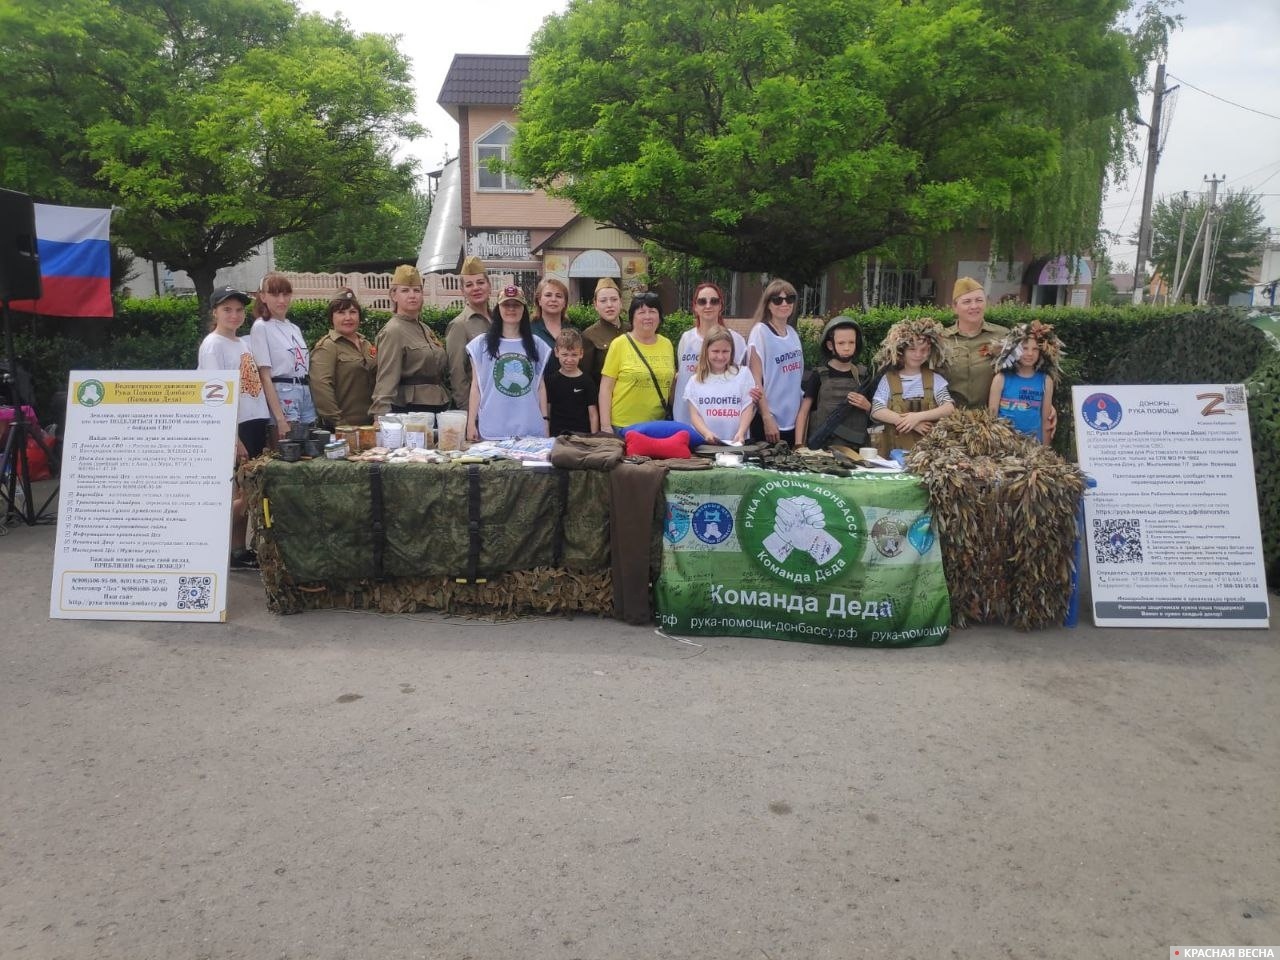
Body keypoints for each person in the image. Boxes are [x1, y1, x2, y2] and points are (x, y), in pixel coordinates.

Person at [197, 285, 269, 569]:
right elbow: (214, 394)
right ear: (215, 312)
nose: (234, 315)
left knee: (244, 490)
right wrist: (233, 437)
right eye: (227, 309)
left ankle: (237, 550)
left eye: (239, 310)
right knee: (243, 493)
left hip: (254, 420)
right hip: (234, 425)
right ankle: (208, 542)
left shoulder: (242, 343)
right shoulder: (213, 345)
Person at [465, 285, 552, 441]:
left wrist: (545, 420)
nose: (511, 309)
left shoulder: (537, 344)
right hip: (493, 426)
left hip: (529, 425)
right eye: (506, 304)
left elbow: (540, 385)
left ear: (523, 309)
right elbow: (476, 386)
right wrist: (471, 422)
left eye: (516, 305)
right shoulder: (481, 345)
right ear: (498, 309)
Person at [371, 265, 450, 416]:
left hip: (438, 404)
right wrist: (380, 416)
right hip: (410, 409)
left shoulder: (425, 328)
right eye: (405, 290)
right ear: (394, 295)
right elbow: (386, 377)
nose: (412, 295)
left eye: (416, 290)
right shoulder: (393, 331)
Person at [870, 317, 956, 452]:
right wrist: (910, 423)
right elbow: (877, 410)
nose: (918, 354)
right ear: (900, 351)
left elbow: (949, 408)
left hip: (928, 454)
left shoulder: (935, 379)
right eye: (912, 349)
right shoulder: (888, 379)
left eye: (924, 350)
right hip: (894, 452)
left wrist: (916, 417)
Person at [598, 291, 676, 432]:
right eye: (641, 312)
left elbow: (670, 386)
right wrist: (605, 425)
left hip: (657, 425)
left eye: (652, 311)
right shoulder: (619, 344)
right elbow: (605, 388)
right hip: (623, 426)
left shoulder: (667, 344)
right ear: (632, 317)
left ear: (659, 316)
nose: (647, 317)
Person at [672, 281, 748, 425]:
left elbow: (742, 381)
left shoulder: (736, 340)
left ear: (721, 306)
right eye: (702, 301)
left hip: (720, 421)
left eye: (714, 301)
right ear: (695, 307)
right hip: (685, 419)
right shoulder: (686, 339)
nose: (708, 305)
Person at [249, 272, 313, 440]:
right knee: (289, 447)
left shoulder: (294, 328)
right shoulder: (261, 327)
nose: (281, 300)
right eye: (275, 294)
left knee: (309, 446)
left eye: (285, 294)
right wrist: (279, 418)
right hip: (283, 394)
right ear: (263, 296)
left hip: (304, 391)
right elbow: (264, 376)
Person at [794, 316, 872, 450]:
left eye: (851, 342)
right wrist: (799, 445)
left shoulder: (863, 376)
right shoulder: (819, 375)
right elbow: (803, 412)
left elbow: (878, 412)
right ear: (830, 345)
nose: (847, 348)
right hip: (823, 450)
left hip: (856, 451)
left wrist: (868, 407)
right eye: (841, 343)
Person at [747, 278, 805, 444]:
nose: (784, 304)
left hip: (792, 421)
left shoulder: (792, 333)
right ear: (768, 304)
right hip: (769, 420)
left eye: (789, 299)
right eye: (777, 300)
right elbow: (755, 379)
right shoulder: (760, 332)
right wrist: (766, 417)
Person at [309, 288, 376, 430]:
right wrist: (340, 424)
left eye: (353, 312)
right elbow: (321, 388)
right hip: (342, 428)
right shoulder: (327, 346)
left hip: (371, 426)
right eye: (341, 312)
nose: (348, 318)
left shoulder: (367, 344)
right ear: (331, 317)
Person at [988, 320, 1063, 444]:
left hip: (1034, 445)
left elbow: (1046, 420)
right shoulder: (1001, 379)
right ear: (1014, 349)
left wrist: (1045, 451)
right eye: (1024, 348)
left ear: (1042, 352)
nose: (1029, 353)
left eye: (1035, 349)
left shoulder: (1046, 381)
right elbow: (992, 418)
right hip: (1005, 444)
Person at [939, 277, 1009, 411]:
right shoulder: (941, 339)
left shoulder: (1003, 336)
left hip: (991, 420)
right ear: (954, 307)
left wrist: (1045, 405)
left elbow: (1024, 371)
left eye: (979, 300)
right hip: (950, 420)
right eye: (967, 302)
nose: (974, 306)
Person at [683, 327, 755, 444]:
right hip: (705, 445)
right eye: (715, 351)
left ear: (732, 351)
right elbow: (694, 415)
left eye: (725, 351)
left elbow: (747, 407)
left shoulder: (743, 374)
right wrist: (706, 433)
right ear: (706, 350)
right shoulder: (694, 381)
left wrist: (741, 432)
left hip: (737, 443)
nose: (720, 357)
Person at [445, 255, 492, 411]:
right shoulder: (459, 325)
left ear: (489, 285)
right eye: (469, 285)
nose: (476, 288)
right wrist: (469, 413)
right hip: (476, 407)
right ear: (462, 291)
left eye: (480, 282)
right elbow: (457, 375)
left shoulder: (500, 321)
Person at [544, 328, 599, 435]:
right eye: (565, 354)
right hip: (557, 436)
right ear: (556, 352)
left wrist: (593, 438)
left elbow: (593, 414)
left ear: (581, 353)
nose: (569, 359)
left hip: (581, 436)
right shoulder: (551, 380)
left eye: (574, 355)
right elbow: (548, 410)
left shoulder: (587, 381)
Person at [580, 278, 625, 384]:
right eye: (603, 301)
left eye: (614, 299)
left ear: (621, 302)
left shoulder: (632, 330)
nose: (609, 305)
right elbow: (586, 376)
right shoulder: (589, 335)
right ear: (595, 305)